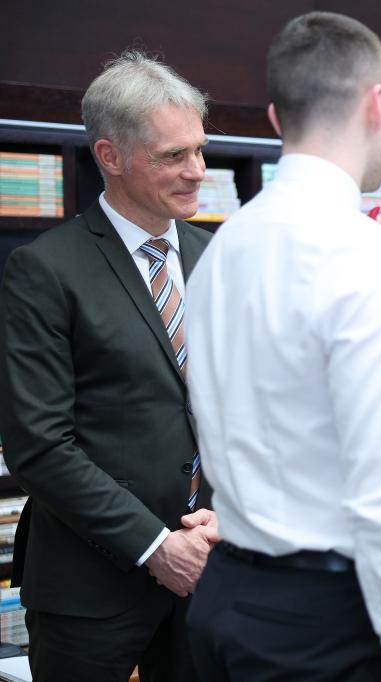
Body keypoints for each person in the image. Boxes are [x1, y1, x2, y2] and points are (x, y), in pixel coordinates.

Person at [184, 12, 381, 682]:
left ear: (276, 117)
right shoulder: (369, 256)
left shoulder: (222, 248)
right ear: (376, 103)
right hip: (326, 624)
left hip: (223, 601)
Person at [0, 51, 218, 681]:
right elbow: (38, 445)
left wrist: (225, 521)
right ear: (110, 156)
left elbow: (254, 410)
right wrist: (157, 547)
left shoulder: (222, 258)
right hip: (88, 590)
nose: (197, 171)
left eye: (200, 150)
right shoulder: (45, 270)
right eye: (173, 156)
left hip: (212, 570)